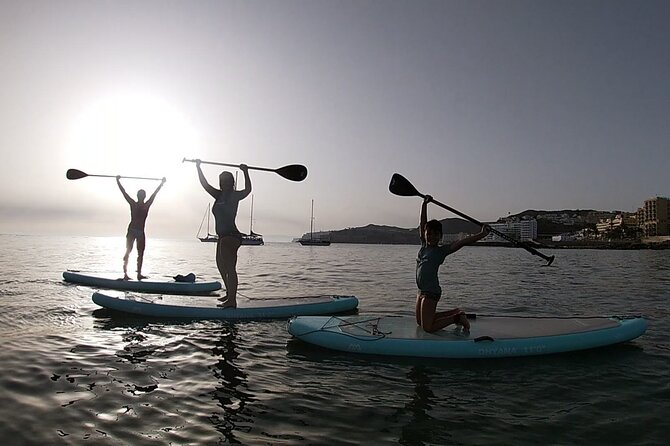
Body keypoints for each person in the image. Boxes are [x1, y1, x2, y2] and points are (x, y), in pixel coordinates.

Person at [415, 195, 489, 333]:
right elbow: (422, 222)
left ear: (440, 236)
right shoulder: (424, 246)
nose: (432, 237)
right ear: (425, 234)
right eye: (429, 233)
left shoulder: (441, 251)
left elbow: (462, 242)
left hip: (431, 292)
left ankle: (457, 319)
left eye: (436, 234)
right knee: (420, 322)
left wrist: (481, 234)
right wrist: (424, 204)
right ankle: (456, 312)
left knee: (428, 328)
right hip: (421, 291)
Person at [195, 160, 251, 308]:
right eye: (221, 181)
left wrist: (245, 172)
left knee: (230, 267)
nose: (223, 184)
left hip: (232, 236)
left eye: (226, 181)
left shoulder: (234, 195)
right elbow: (204, 184)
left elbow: (248, 190)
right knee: (221, 266)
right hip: (222, 237)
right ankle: (229, 294)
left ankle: (232, 300)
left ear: (231, 182)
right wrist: (198, 167)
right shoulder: (218, 195)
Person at [116, 176, 166, 280]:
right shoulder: (134, 204)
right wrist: (118, 181)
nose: (142, 197)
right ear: (140, 196)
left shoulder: (143, 204)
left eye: (142, 195)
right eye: (141, 195)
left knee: (140, 253)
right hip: (132, 230)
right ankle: (126, 274)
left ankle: (138, 274)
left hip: (140, 232)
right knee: (128, 251)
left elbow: (154, 194)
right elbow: (123, 192)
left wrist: (161, 184)